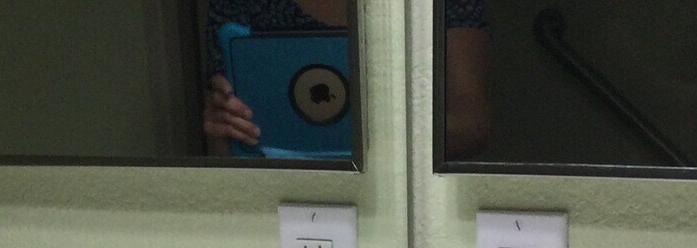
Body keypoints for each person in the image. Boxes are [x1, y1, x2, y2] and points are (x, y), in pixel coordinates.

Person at [203, 0, 491, 158]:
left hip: (411, 208)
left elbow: (469, 127)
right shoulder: (239, 5)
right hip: (283, 203)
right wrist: (224, 131)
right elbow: (230, 159)